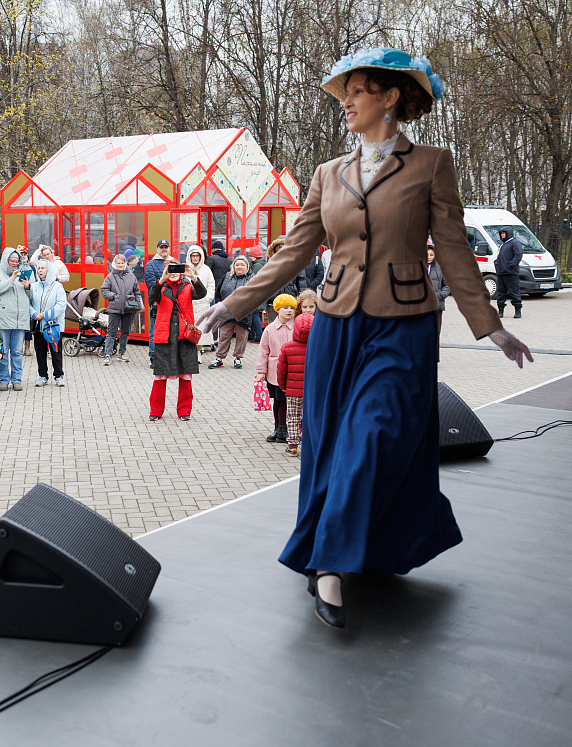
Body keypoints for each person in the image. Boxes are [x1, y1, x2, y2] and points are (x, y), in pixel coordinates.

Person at [198, 48, 531, 629]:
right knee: (329, 442)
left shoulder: (431, 164)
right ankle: (347, 550)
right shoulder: (329, 173)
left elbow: (452, 249)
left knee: (374, 435)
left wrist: (492, 325)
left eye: (357, 91)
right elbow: (294, 252)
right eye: (345, 92)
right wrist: (234, 302)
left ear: (390, 97)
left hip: (404, 327)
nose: (346, 102)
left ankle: (327, 562)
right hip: (335, 326)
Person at [147, 261, 206, 421]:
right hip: (164, 337)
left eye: (176, 269)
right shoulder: (161, 287)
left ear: (181, 271)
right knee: (160, 376)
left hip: (184, 337)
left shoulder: (188, 286)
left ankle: (184, 411)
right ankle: (156, 411)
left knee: (186, 376)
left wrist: (193, 276)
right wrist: (161, 279)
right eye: (169, 269)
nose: (173, 273)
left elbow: (201, 293)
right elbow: (152, 296)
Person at [0, 247, 31, 391]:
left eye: (17, 261)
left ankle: (16, 380)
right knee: (3, 352)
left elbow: (30, 297)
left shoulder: (22, 274)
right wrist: (11, 280)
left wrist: (28, 287)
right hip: (2, 319)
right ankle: (4, 380)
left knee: (17, 352)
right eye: (12, 261)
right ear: (5, 260)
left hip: (19, 320)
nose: (14, 264)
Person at [255, 293, 297, 443]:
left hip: (292, 371)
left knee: (286, 401)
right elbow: (263, 350)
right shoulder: (270, 329)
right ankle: (278, 428)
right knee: (278, 401)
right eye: (285, 308)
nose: (289, 311)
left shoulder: (297, 327)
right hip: (274, 371)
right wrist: (261, 370)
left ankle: (284, 429)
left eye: (292, 308)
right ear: (278, 309)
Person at [278, 313, 313, 457]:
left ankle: (292, 446)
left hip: (292, 391)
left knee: (292, 417)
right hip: (313, 391)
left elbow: (281, 370)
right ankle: (312, 445)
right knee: (311, 417)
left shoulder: (287, 347)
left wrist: (282, 385)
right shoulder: (317, 347)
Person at [209, 256, 254, 369]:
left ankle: (238, 358)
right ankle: (219, 358)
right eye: (237, 264)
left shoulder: (252, 278)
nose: (239, 267)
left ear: (247, 267)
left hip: (243, 313)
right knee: (224, 336)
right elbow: (218, 291)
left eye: (242, 264)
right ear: (233, 266)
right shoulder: (227, 276)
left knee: (241, 337)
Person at [29, 261, 66, 386]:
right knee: (40, 352)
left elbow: (61, 306)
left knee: (56, 352)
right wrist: (34, 314)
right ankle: (42, 376)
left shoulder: (57, 287)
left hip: (53, 326)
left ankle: (58, 376)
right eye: (38, 268)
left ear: (49, 270)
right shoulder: (34, 286)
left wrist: (44, 315)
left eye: (43, 268)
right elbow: (28, 303)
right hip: (39, 326)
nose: (40, 270)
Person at [100, 254, 139, 365]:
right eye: (118, 263)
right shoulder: (110, 276)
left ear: (125, 263)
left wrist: (139, 305)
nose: (121, 265)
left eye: (122, 263)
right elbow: (104, 290)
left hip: (128, 308)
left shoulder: (131, 276)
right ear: (115, 264)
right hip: (114, 308)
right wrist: (113, 296)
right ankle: (108, 354)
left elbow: (137, 291)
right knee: (111, 332)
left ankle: (122, 353)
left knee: (125, 332)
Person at [143, 239, 172, 366]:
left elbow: (179, 281)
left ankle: (169, 357)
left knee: (171, 331)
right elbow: (152, 286)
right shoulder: (150, 264)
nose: (164, 249)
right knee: (155, 331)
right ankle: (153, 357)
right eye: (162, 247)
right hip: (157, 303)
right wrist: (166, 284)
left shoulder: (173, 263)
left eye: (166, 247)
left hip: (173, 303)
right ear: (157, 249)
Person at [185, 245, 217, 352]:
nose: (195, 258)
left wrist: (208, 298)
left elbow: (211, 284)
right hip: (189, 305)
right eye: (193, 256)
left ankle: (198, 352)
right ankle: (192, 354)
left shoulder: (206, 269)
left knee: (201, 331)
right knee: (190, 331)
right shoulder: (186, 269)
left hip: (203, 305)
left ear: (201, 256)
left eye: (197, 256)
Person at [494, 226, 523, 318]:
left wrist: (511, 265)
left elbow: (518, 255)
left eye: (504, 233)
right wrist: (497, 264)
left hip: (511, 273)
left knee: (514, 292)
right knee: (500, 293)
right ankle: (500, 311)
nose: (502, 235)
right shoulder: (503, 244)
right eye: (501, 233)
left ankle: (517, 311)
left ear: (508, 234)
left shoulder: (514, 243)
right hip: (501, 272)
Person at [427, 245, 450, 353]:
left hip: (437, 305)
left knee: (435, 332)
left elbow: (447, 286)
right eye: (427, 255)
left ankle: (434, 356)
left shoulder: (441, 268)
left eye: (431, 255)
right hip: (422, 306)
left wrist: (439, 295)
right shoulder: (419, 267)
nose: (429, 257)